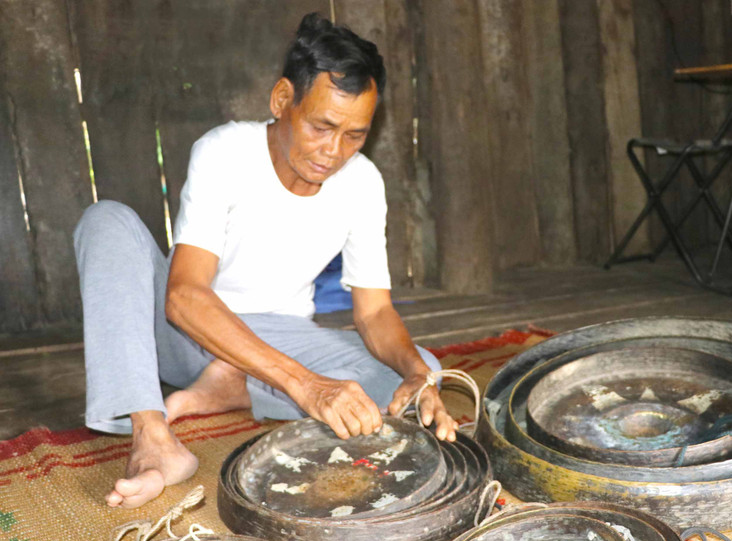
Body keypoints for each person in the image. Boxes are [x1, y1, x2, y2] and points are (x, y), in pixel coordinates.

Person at [73, 13, 457, 509]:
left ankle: (231, 387)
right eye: (322, 126)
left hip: (277, 336)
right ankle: (153, 436)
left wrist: (415, 375)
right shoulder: (224, 152)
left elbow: (375, 313)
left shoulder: (363, 183)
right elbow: (185, 297)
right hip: (186, 334)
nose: (333, 152)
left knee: (421, 369)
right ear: (282, 100)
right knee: (107, 221)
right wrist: (307, 386)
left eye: (355, 135)